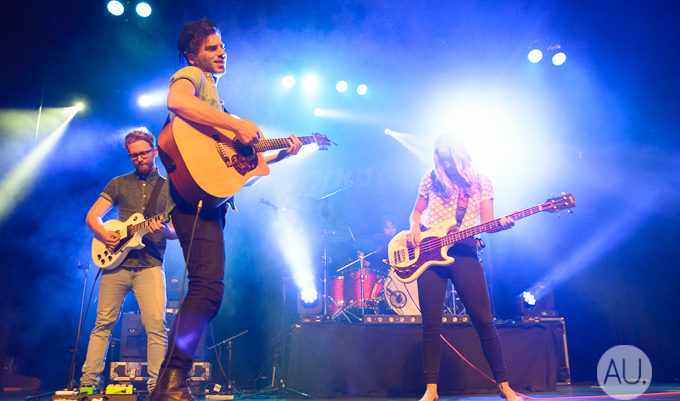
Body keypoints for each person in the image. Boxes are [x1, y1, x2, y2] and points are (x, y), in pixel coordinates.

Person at [149, 19, 302, 401]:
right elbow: (176, 101)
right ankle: (172, 384)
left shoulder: (215, 103)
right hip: (192, 198)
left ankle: (168, 385)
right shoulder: (193, 77)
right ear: (192, 55)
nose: (222, 53)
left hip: (205, 198)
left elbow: (238, 167)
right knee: (207, 289)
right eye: (212, 47)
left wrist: (282, 154)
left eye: (222, 47)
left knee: (207, 289)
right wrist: (234, 123)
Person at [406, 134, 521, 401]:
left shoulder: (481, 182)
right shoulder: (430, 178)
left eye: (448, 160)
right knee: (430, 324)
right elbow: (417, 212)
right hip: (430, 254)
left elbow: (489, 222)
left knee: (484, 321)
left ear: (460, 156)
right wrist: (414, 228)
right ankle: (431, 390)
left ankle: (504, 386)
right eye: (441, 160)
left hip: (465, 253)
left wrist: (501, 225)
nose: (445, 165)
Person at [81, 129, 177, 392]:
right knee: (103, 324)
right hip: (116, 265)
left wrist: (164, 231)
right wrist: (105, 235)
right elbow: (92, 217)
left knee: (156, 326)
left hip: (150, 264)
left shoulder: (170, 188)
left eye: (143, 153)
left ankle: (157, 388)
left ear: (154, 152)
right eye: (133, 155)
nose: (139, 158)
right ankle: (88, 384)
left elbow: (177, 231)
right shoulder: (118, 183)